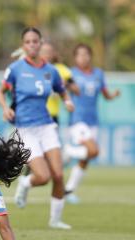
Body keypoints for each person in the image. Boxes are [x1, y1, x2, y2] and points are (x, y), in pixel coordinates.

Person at [0, 27, 75, 229]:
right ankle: (25, 183)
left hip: (47, 126)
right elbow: (0, 92)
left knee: (58, 175)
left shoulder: (51, 70)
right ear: (23, 45)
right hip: (26, 129)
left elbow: (62, 90)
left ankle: (55, 220)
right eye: (28, 41)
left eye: (35, 41)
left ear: (40, 44)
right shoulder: (15, 69)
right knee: (43, 177)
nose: (32, 44)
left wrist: (67, 101)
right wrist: (5, 108)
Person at [64, 43, 120, 204]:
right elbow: (62, 90)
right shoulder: (71, 73)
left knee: (86, 158)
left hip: (92, 120)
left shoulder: (98, 74)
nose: (83, 57)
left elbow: (105, 94)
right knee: (94, 151)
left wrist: (113, 95)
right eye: (79, 55)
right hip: (77, 120)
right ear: (75, 58)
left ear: (90, 56)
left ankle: (69, 190)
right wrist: (69, 89)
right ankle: (69, 151)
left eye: (86, 54)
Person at [40, 42, 80, 125]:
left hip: (52, 115)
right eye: (44, 52)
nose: (46, 55)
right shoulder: (33, 69)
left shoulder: (61, 70)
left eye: (49, 52)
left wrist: (64, 84)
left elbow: (77, 90)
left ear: (53, 54)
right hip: (34, 115)